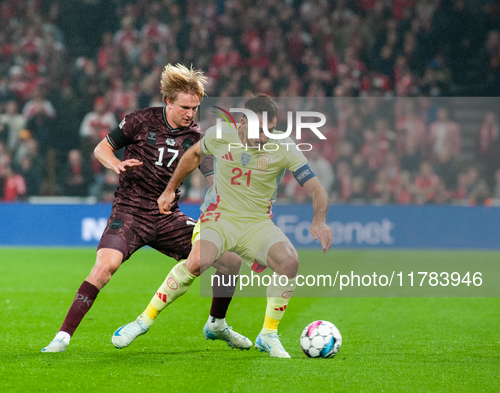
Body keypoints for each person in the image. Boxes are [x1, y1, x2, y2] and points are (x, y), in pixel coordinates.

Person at [42, 64, 249, 353]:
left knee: (231, 261)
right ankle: (61, 338)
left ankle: (216, 324)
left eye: (195, 107)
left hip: (167, 217)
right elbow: (101, 148)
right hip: (130, 212)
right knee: (104, 268)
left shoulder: (197, 138)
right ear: (168, 101)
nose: (190, 113)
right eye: (185, 107)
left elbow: (214, 177)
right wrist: (116, 164)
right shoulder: (139, 121)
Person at [114, 94, 333, 358]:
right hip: (219, 217)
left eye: (271, 130)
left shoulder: (283, 147)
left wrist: (319, 220)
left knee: (289, 262)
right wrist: (170, 189)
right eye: (260, 129)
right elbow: (193, 154)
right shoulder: (221, 135)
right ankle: (143, 321)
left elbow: (317, 189)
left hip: (257, 224)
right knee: (197, 262)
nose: (265, 136)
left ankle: (268, 335)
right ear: (242, 122)